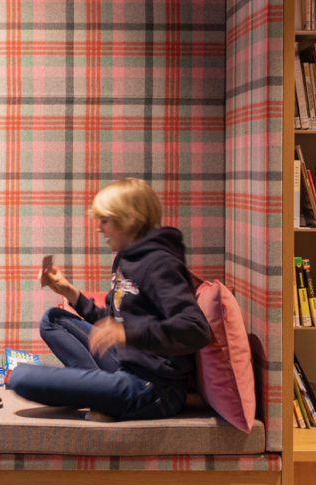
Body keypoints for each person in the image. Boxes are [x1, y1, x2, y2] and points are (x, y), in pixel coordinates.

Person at [17, 178, 210, 422]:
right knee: (52, 319)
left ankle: (104, 394)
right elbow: (111, 322)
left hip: (155, 386)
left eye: (105, 220)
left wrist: (127, 333)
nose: (99, 228)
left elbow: (196, 330)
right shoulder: (124, 259)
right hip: (126, 360)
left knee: (21, 377)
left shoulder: (161, 264)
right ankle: (103, 393)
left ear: (130, 219)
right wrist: (70, 292)